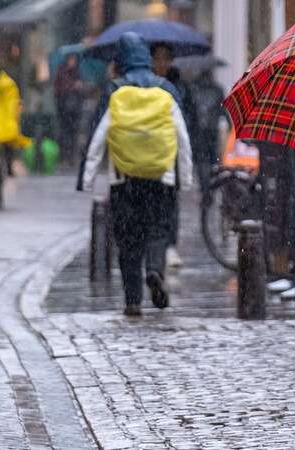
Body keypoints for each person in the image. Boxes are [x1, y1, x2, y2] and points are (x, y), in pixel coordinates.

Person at [81, 32, 192, 317]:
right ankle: (154, 270)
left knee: (128, 238)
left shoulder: (114, 90)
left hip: (124, 177)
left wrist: (89, 178)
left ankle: (132, 300)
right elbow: (182, 136)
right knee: (158, 229)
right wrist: (185, 177)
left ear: (121, 60)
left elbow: (98, 136)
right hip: (161, 176)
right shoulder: (166, 88)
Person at [150, 43, 198, 268]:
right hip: (149, 152)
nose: (161, 64)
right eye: (157, 59)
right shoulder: (144, 85)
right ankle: (153, 246)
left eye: (165, 59)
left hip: (172, 151)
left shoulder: (180, 86)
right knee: (151, 198)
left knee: (170, 199)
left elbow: (189, 120)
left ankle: (169, 245)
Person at [189, 68, 226, 200]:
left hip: (198, 133)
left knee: (201, 161)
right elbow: (224, 111)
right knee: (211, 160)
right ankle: (209, 187)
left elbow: (190, 114)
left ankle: (205, 188)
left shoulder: (194, 90)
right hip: (211, 132)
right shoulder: (217, 90)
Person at [54, 53, 84, 165]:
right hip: (64, 109)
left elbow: (81, 91)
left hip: (74, 109)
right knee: (65, 133)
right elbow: (59, 89)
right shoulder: (62, 72)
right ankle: (64, 157)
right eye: (71, 60)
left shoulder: (77, 72)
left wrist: (79, 87)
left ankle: (71, 157)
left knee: (73, 133)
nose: (73, 62)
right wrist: (73, 86)